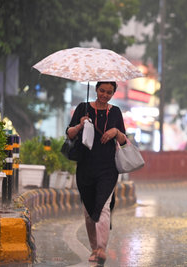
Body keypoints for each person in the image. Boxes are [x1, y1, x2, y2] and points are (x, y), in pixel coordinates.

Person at [65, 81, 127, 266]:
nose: (105, 95)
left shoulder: (115, 112)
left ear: (113, 93)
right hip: (85, 167)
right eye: (102, 91)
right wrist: (80, 125)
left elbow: (124, 140)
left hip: (108, 168)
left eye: (109, 92)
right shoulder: (82, 108)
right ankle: (94, 249)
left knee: (103, 207)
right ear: (96, 89)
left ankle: (101, 248)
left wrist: (116, 131)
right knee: (88, 211)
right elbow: (69, 133)